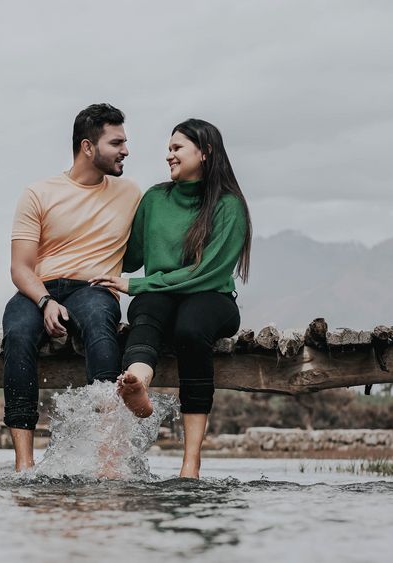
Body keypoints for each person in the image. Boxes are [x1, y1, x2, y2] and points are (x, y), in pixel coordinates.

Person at [90, 118, 252, 479]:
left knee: (190, 328)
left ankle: (190, 463)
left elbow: (207, 271)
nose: (169, 156)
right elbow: (129, 256)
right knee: (146, 311)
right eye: (169, 149)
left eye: (176, 148)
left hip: (211, 298)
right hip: (161, 297)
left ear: (205, 152)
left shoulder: (229, 206)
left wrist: (137, 285)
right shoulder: (155, 199)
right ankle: (137, 385)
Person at [3, 103, 142, 472]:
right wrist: (46, 301)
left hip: (94, 288)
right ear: (87, 147)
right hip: (38, 289)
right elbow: (20, 268)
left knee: (100, 323)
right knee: (17, 334)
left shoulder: (131, 194)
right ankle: (24, 464)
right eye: (117, 142)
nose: (126, 150)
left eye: (125, 142)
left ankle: (107, 459)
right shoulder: (38, 193)